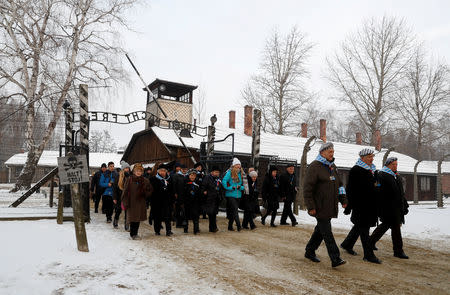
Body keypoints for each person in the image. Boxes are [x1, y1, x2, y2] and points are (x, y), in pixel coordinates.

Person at [304, 142, 347, 268]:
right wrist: (311, 206)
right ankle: (335, 258)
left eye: (333, 152)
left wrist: (343, 199)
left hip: (330, 205)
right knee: (327, 233)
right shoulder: (314, 166)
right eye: (330, 152)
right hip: (319, 206)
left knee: (320, 231)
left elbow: (339, 185)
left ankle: (310, 251)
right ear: (322, 152)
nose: (332, 154)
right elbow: (307, 189)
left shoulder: (332, 166)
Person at [341, 148, 381, 264]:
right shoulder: (356, 170)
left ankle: (347, 244)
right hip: (361, 205)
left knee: (359, 226)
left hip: (370, 205)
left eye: (372, 156)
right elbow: (350, 189)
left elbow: (374, 186)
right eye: (369, 157)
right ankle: (368, 255)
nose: (372, 159)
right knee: (364, 230)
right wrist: (349, 206)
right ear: (362, 158)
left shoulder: (372, 170)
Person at [369, 157, 410, 259]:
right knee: (395, 228)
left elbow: (401, 193)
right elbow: (379, 193)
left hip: (396, 207)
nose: (395, 166)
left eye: (396, 164)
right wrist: (380, 207)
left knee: (385, 226)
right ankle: (398, 251)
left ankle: (370, 242)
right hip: (388, 208)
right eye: (393, 164)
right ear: (387, 165)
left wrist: (404, 205)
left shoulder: (396, 176)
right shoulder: (382, 175)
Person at [121, 163, 153, 240]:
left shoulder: (145, 180)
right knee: (133, 219)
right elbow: (125, 191)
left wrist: (145, 193)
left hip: (141, 202)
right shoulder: (130, 179)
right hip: (131, 202)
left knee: (138, 219)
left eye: (140, 171)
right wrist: (125, 201)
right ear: (134, 171)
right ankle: (133, 234)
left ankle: (135, 233)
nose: (139, 172)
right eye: (137, 171)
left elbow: (150, 190)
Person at [149, 163, 174, 236]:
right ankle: (157, 230)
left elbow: (172, 190)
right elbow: (151, 191)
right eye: (161, 171)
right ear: (158, 171)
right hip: (157, 201)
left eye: (164, 171)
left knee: (168, 216)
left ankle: (168, 230)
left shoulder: (169, 179)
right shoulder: (153, 179)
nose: (162, 172)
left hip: (167, 201)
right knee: (157, 217)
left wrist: (172, 199)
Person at [222, 158, 245, 231]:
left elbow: (243, 185)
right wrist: (231, 187)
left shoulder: (241, 174)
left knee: (233, 211)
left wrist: (240, 187)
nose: (238, 168)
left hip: (238, 195)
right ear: (234, 166)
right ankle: (239, 225)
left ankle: (230, 226)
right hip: (230, 195)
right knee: (235, 210)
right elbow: (224, 182)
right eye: (237, 166)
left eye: (239, 166)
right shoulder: (229, 172)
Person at [202, 166, 222, 232]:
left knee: (214, 213)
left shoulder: (218, 179)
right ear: (212, 172)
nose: (217, 173)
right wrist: (204, 191)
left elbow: (220, 187)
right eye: (216, 172)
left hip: (216, 198)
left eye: (218, 172)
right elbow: (203, 186)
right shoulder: (207, 177)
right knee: (211, 213)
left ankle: (212, 228)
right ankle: (213, 227)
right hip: (209, 198)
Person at [182, 169, 202, 234]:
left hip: (195, 202)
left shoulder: (198, 182)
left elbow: (200, 191)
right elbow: (182, 191)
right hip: (187, 201)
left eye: (194, 175)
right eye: (191, 175)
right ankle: (185, 228)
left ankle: (196, 230)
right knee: (186, 215)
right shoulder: (185, 182)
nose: (192, 177)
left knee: (196, 216)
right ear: (189, 175)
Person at [113, 161, 131, 229]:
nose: (127, 169)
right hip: (119, 196)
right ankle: (115, 222)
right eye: (126, 168)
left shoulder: (130, 177)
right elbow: (114, 188)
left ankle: (127, 225)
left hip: (127, 196)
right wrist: (114, 198)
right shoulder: (118, 176)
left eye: (128, 168)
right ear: (123, 169)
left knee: (127, 211)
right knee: (118, 210)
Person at [172, 163, 187, 228]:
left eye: (185, 169)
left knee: (184, 209)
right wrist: (175, 193)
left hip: (185, 195)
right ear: (180, 169)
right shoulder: (176, 176)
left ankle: (184, 221)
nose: (184, 170)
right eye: (183, 169)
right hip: (178, 195)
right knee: (178, 209)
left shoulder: (187, 176)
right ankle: (178, 223)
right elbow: (174, 185)